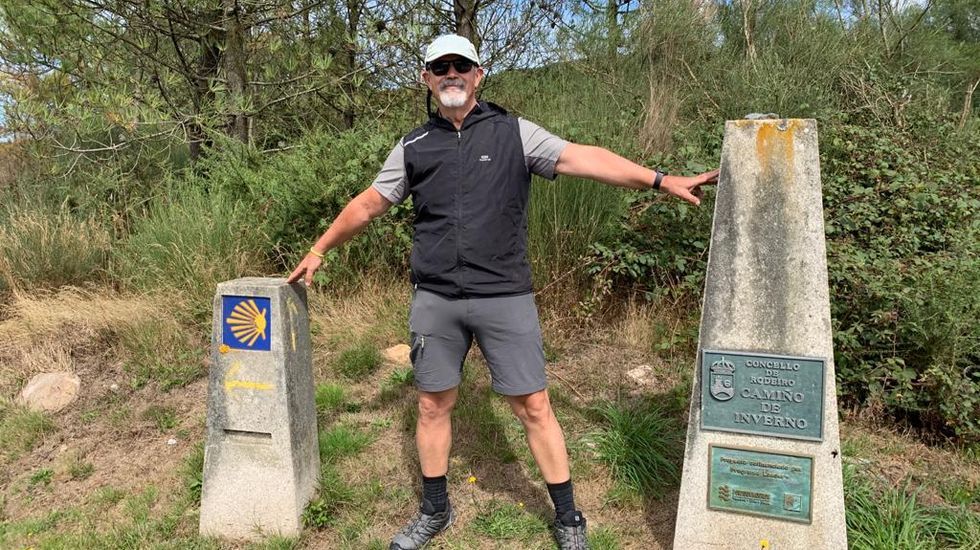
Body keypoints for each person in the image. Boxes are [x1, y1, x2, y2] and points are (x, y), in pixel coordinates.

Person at [287, 34, 718, 550]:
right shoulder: (414, 146)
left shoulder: (514, 133)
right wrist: (319, 249)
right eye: (440, 67)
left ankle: (568, 519)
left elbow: (586, 159)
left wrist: (660, 180)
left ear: (478, 74)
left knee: (533, 405)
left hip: (504, 296)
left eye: (460, 65)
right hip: (436, 300)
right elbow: (370, 203)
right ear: (426, 78)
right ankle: (434, 511)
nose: (451, 73)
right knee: (431, 404)